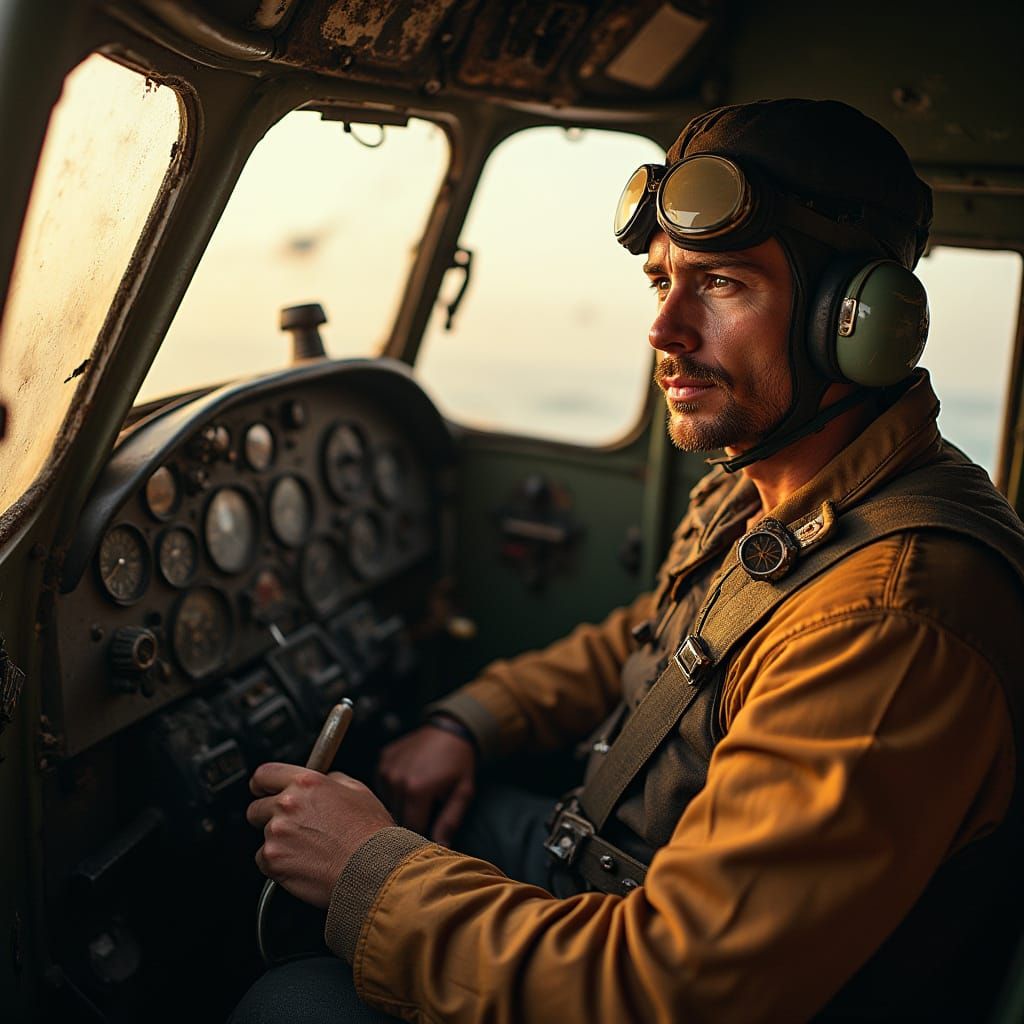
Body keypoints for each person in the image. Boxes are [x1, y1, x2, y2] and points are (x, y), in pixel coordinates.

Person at [232, 99, 1024, 1023]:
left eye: (721, 283)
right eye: (661, 283)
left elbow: (666, 988)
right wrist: (471, 720)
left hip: (657, 968)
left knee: (291, 1005)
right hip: (617, 867)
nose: (665, 330)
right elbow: (654, 644)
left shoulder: (889, 623)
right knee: (406, 798)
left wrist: (369, 871)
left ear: (857, 322)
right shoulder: (775, 483)